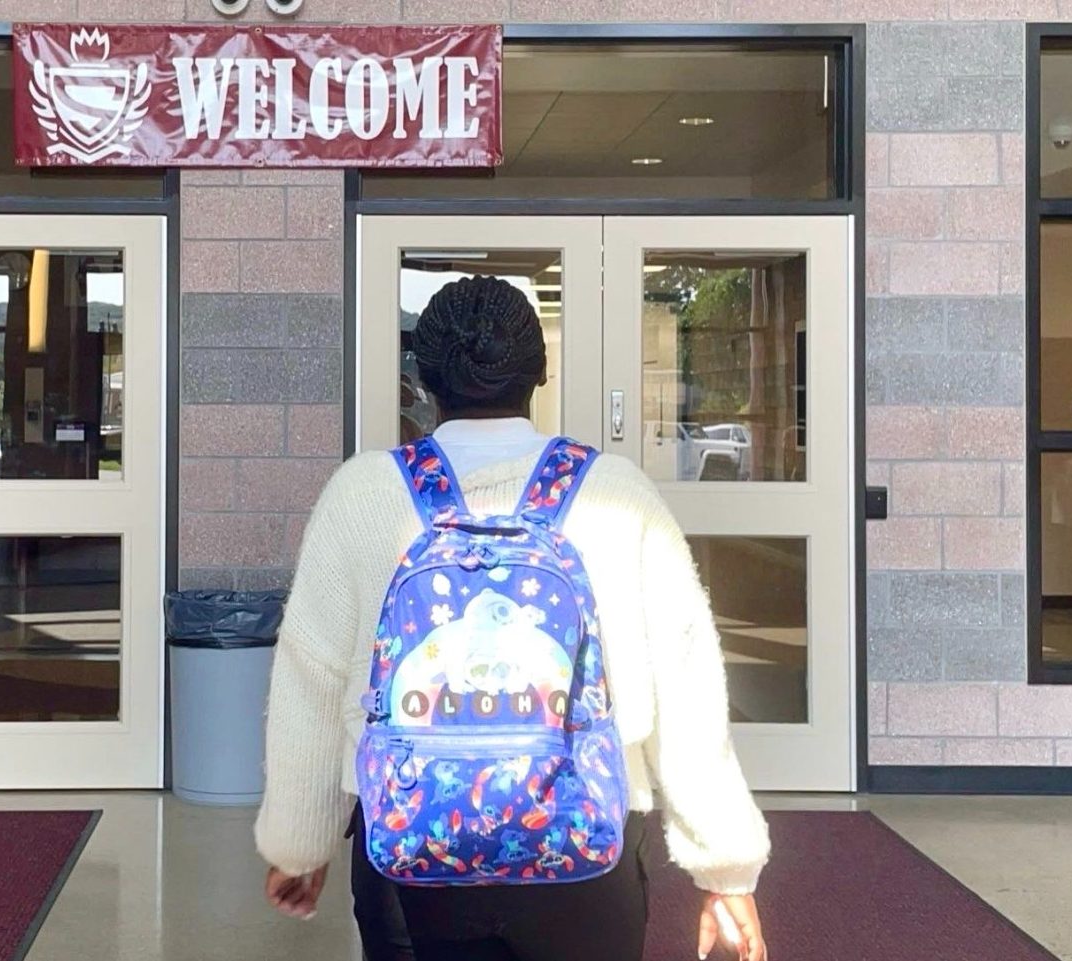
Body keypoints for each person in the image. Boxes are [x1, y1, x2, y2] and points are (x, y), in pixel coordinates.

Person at [256, 276, 770, 961]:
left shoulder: (364, 493)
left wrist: (301, 840)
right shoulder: (615, 491)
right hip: (584, 839)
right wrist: (724, 865)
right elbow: (686, 676)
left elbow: (311, 678)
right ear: (539, 373)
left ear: (424, 376)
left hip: (412, 845)